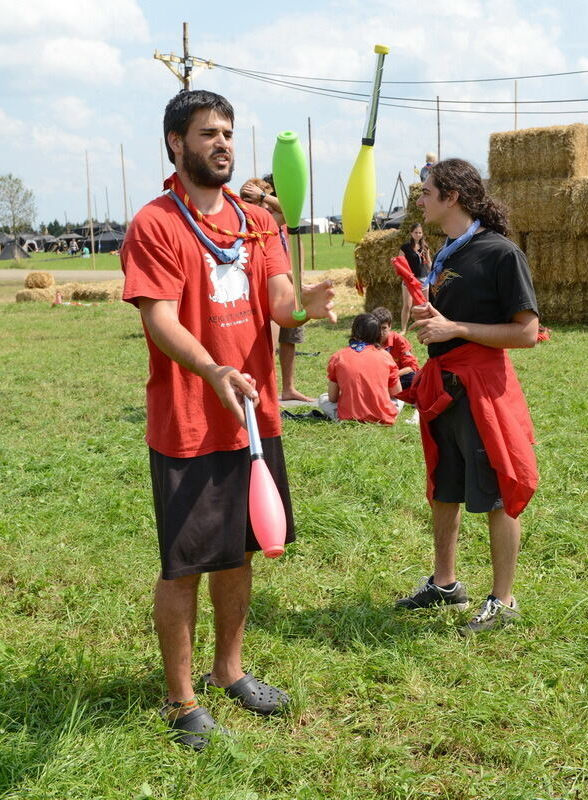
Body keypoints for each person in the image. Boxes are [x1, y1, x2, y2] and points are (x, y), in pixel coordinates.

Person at [120, 89, 335, 752]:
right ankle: (181, 700)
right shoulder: (155, 223)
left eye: (228, 133)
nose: (222, 143)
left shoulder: (255, 221)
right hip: (188, 420)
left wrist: (302, 311)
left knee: (238, 552)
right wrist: (212, 370)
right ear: (175, 144)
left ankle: (228, 670)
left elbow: (276, 300)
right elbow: (158, 319)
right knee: (185, 564)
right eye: (208, 133)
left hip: (252, 418)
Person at [395, 158, 539, 635]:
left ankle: (503, 599)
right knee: (444, 487)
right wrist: (431, 318)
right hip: (444, 387)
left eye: (426, 189)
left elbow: (526, 332)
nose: (420, 197)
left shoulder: (499, 253)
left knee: (498, 492)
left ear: (451, 196)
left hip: (482, 389)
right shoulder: (449, 253)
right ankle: (445, 583)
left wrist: (454, 327)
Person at [240, 177, 314, 403]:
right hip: (268, 289)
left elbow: (291, 212)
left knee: (289, 340)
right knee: (267, 347)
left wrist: (264, 197)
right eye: (263, 201)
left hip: (289, 287)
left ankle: (289, 389)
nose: (268, 207)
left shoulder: (274, 219)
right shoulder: (246, 222)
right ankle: (264, 392)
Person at [318, 313, 402, 424]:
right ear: (377, 333)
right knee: (400, 400)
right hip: (382, 416)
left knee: (323, 398)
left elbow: (332, 398)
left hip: (349, 415)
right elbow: (397, 393)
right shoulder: (386, 356)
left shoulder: (338, 356)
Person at [371, 305, 420, 425]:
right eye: (377, 328)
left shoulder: (399, 341)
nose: (380, 333)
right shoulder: (369, 340)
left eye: (384, 328)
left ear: (390, 327)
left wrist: (391, 375)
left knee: (415, 378)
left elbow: (412, 367)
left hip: (398, 378)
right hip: (376, 379)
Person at [398, 222, 431, 333]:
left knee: (425, 305)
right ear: (411, 233)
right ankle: (403, 329)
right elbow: (400, 264)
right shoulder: (405, 247)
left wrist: (433, 275)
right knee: (407, 305)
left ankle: (427, 327)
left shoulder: (425, 247)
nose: (418, 234)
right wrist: (407, 277)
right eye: (415, 232)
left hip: (424, 279)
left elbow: (429, 263)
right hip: (409, 280)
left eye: (420, 232)